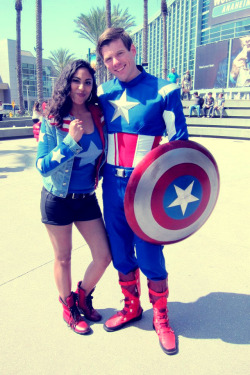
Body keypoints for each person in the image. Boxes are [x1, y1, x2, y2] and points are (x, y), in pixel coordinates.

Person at [96, 28, 189, 355]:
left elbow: (180, 144)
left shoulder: (164, 90)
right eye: (108, 59)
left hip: (146, 189)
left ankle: (161, 317)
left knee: (150, 253)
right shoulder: (103, 92)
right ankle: (131, 305)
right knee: (120, 251)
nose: (115, 62)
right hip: (111, 185)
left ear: (133, 49)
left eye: (120, 54)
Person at [35, 59, 111, 335]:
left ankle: (82, 295)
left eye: (88, 82)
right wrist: (69, 142)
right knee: (63, 258)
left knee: (103, 256)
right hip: (57, 199)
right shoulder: (54, 118)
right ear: (67, 83)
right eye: (76, 81)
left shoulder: (98, 114)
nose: (81, 87)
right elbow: (42, 165)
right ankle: (68, 307)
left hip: (86, 198)